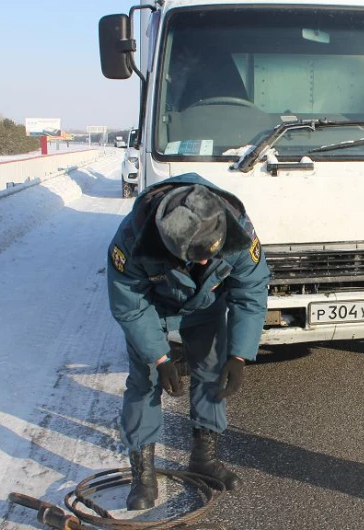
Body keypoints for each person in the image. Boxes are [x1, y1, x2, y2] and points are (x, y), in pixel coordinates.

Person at [106, 172, 271, 510]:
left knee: (213, 375)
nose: (208, 262)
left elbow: (250, 290)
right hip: (152, 307)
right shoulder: (130, 241)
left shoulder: (235, 228)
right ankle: (144, 473)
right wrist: (160, 358)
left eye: (212, 253)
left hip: (206, 307)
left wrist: (239, 355)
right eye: (198, 258)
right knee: (144, 382)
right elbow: (130, 307)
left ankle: (204, 458)